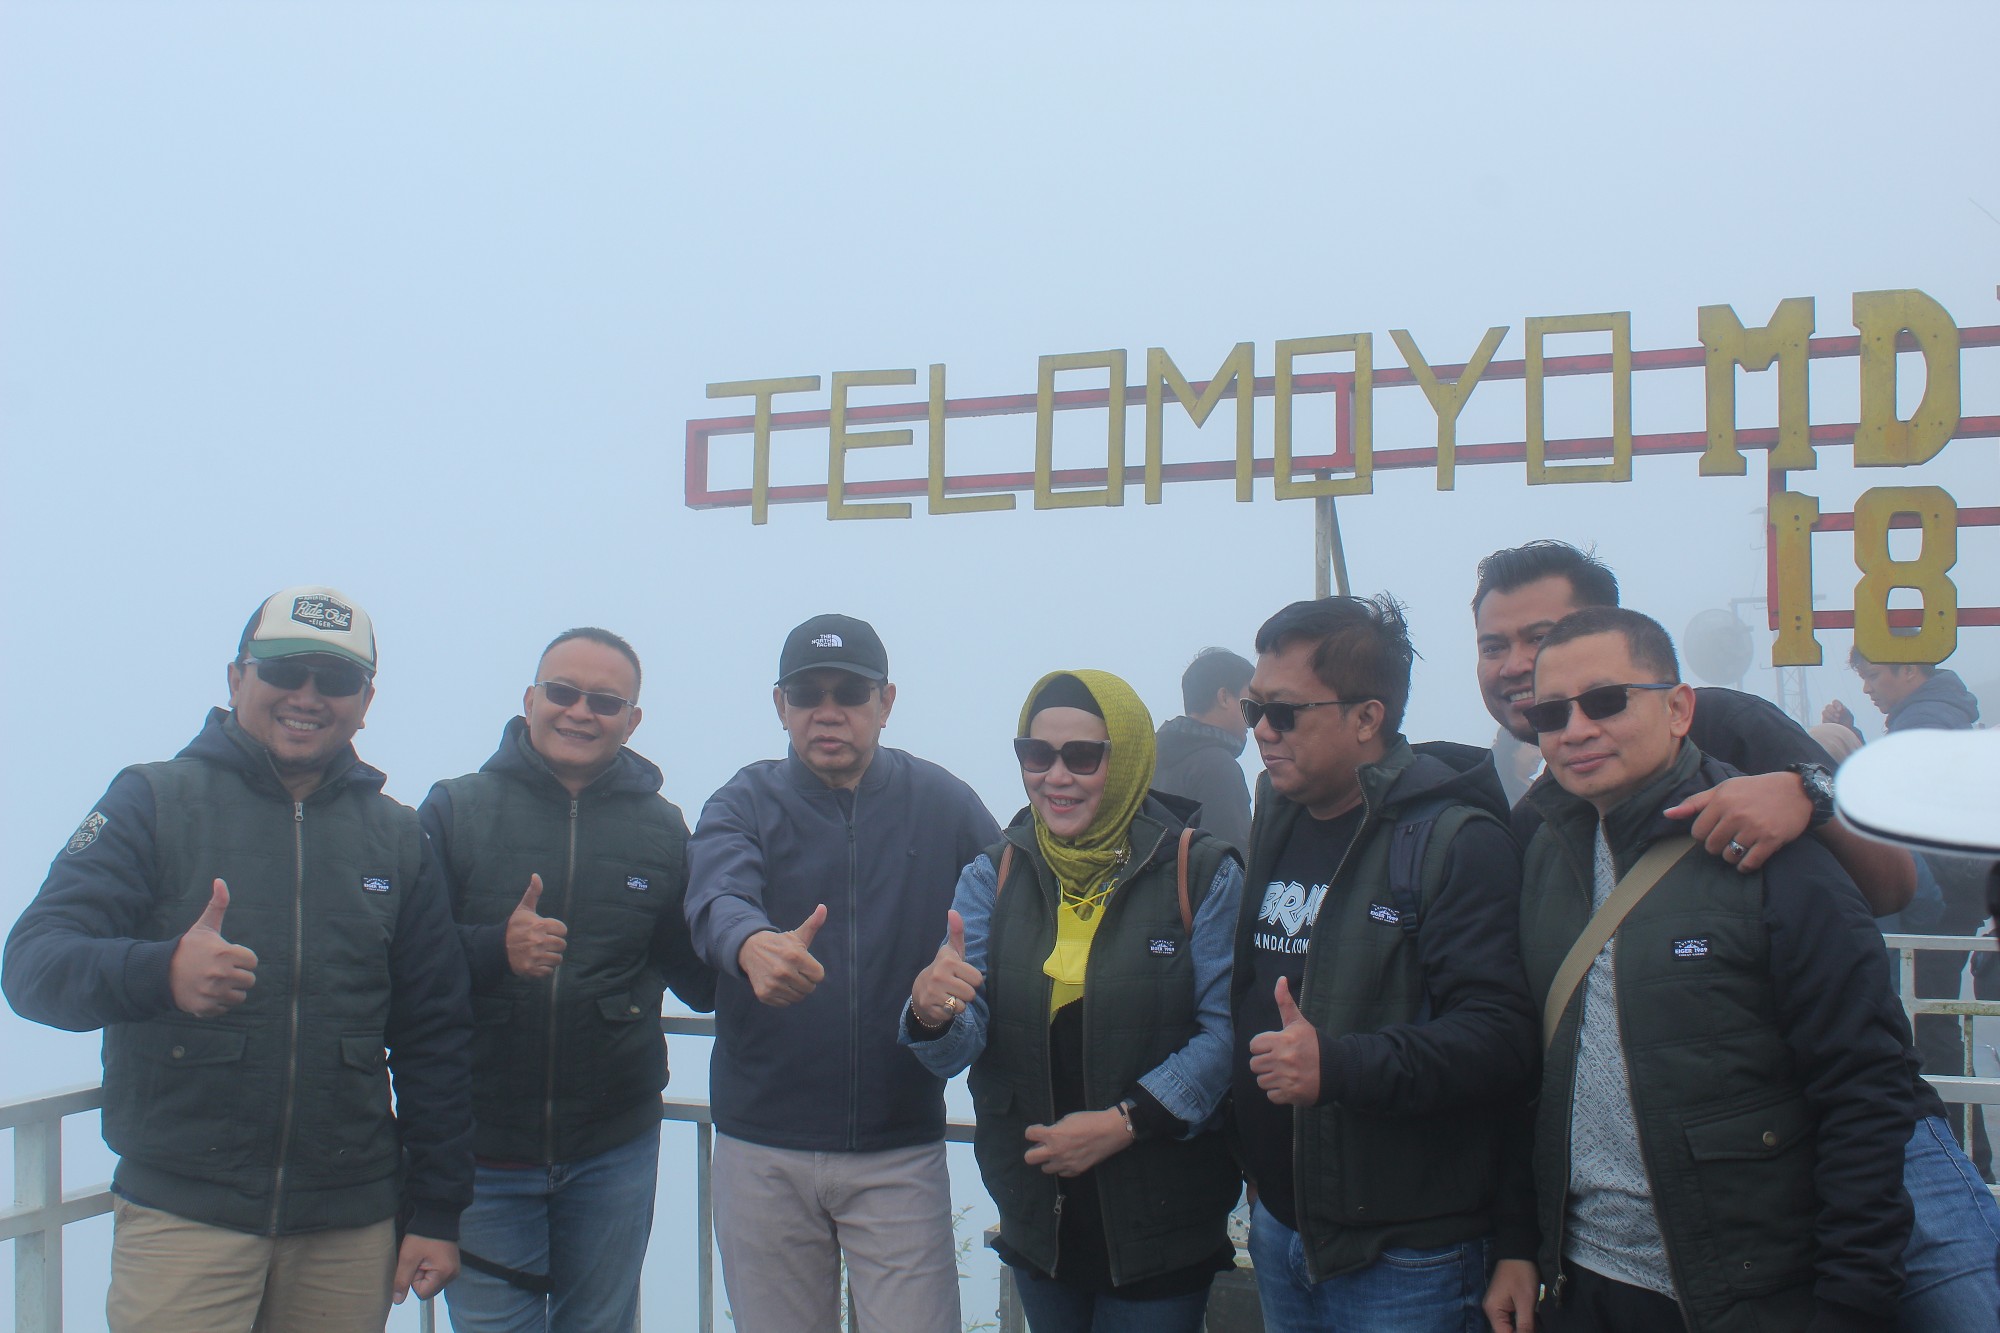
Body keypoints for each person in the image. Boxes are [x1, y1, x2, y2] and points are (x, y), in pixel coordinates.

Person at [1, 585, 473, 1333]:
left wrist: (439, 1209)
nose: (307, 696)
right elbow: (32, 965)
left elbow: (434, 1035)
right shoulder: (150, 800)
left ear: (365, 701)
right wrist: (161, 971)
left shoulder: (396, 836)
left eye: (336, 679)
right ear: (235, 677)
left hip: (349, 1226)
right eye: (284, 670)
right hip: (184, 1215)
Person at [1488, 606, 1937, 1332]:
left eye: (1606, 701)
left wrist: (1852, 1303)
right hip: (1579, 1286)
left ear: (1677, 708)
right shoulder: (1540, 856)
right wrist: (1517, 1241)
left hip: (1747, 1293)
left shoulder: (1775, 858)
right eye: (1551, 713)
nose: (1575, 729)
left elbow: (1863, 1092)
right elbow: (1529, 1076)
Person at [684, 613, 1000, 1333]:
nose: (828, 711)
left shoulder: (943, 801)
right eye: (807, 693)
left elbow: (1018, 898)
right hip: (761, 1149)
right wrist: (751, 943)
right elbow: (715, 894)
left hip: (899, 1147)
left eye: (850, 692)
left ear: (886, 702)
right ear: (780, 705)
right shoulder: (743, 801)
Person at [903, 670, 1246, 1332]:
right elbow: (956, 1046)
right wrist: (930, 1012)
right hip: (1040, 1221)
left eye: (1083, 756)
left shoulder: (1199, 871)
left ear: (1127, 759)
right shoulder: (995, 872)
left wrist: (1125, 1122)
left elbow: (1226, 1032)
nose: (1055, 776)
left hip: (1162, 1223)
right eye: (1037, 754)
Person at [1233, 595, 1537, 1332]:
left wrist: (1340, 1066)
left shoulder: (1454, 840)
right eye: (1253, 709)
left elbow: (1501, 1037)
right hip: (1281, 1224)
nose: (1262, 732)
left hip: (1406, 1254)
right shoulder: (1280, 809)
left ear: (1368, 717)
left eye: (1284, 713)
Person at [421, 627, 715, 1331]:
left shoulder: (662, 827)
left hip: (614, 1146)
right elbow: (408, 963)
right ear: (530, 700)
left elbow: (698, 977)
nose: (581, 712)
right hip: (480, 1148)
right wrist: (494, 947)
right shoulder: (456, 809)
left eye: (605, 702)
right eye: (563, 692)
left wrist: (760, 941)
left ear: (632, 720)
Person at [1469, 540, 1915, 915]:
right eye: (1492, 647)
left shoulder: (1723, 726)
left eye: (1540, 638)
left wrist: (1805, 794)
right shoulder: (1533, 819)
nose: (1513, 665)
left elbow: (1894, 886)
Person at [1828, 639, 1989, 1176]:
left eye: (1875, 676)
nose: (1868, 688)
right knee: (1937, 1029)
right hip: (1956, 893)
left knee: (1928, 1034)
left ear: (1911, 669)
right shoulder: (1937, 714)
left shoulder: (1922, 723)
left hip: (1938, 901)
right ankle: (1968, 1159)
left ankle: (1959, 1162)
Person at [1153, 646, 1255, 851]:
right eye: (1249, 703)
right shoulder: (1218, 766)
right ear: (1224, 697)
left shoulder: (1151, 760)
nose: (1254, 720)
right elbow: (1233, 857)